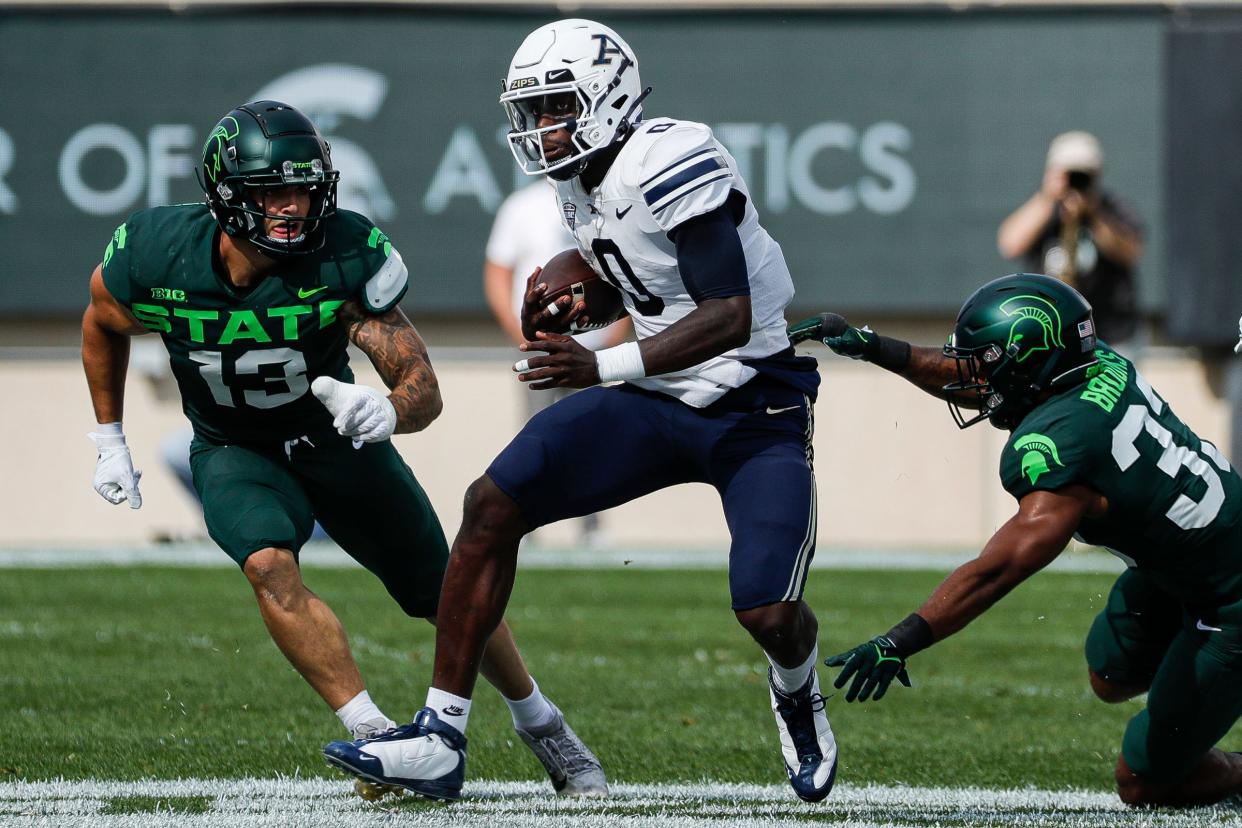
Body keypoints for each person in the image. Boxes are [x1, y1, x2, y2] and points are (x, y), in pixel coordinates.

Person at [324, 19, 835, 804]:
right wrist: (579, 280)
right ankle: (441, 734)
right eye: (532, 110)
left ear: (605, 96)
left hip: (752, 405)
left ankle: (796, 688)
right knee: (491, 505)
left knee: (768, 609)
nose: (541, 127)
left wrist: (601, 363)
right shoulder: (576, 179)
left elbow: (726, 311)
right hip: (660, 402)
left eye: (555, 105)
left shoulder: (669, 155)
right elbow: (641, 274)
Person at [81, 100, 606, 800]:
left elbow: (423, 385)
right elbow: (101, 321)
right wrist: (109, 435)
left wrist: (385, 410)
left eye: (303, 188)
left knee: (442, 591)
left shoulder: (343, 253)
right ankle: (374, 733)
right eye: (273, 192)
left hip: (335, 441)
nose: (293, 206)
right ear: (227, 197)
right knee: (268, 564)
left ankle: (541, 721)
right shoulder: (157, 253)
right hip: (235, 446)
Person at [791, 273, 1242, 807]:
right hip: (1182, 565)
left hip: (1230, 600)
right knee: (1110, 672)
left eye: (985, 362)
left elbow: (1000, 568)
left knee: (1143, 783)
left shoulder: (1060, 444)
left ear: (1030, 362)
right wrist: (874, 347)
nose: (971, 377)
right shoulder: (1097, 362)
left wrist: (903, 639)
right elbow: (974, 373)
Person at [483, 179, 630, 545]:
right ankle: (527, 520)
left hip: (593, 350)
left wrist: (614, 335)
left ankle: (591, 525)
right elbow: (498, 273)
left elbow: (628, 276)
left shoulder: (606, 201)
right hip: (541, 347)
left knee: (590, 435)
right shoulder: (522, 206)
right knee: (535, 436)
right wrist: (522, 332)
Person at [997, 131, 1144, 345]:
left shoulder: (1111, 208)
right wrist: (1047, 197)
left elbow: (1132, 251)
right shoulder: (1043, 209)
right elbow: (1010, 244)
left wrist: (1094, 215)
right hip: (1052, 332)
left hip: (1110, 334)